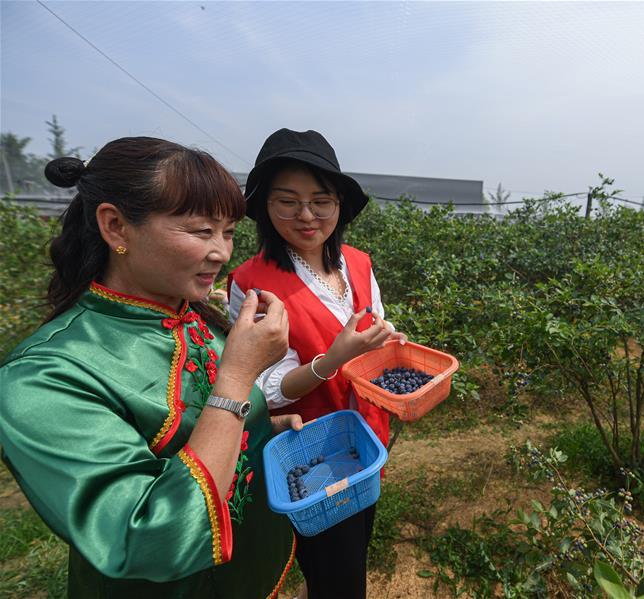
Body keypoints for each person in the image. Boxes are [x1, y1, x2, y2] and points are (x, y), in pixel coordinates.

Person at [0, 137, 302, 598]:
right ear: (116, 226)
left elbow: (199, 422)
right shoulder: (42, 377)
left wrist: (259, 425)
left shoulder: (192, 314)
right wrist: (238, 377)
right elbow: (149, 535)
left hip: (250, 569)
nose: (222, 252)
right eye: (201, 231)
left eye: (227, 232)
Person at [228, 128, 405, 598]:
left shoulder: (358, 263)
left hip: (366, 437)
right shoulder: (252, 284)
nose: (306, 216)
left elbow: (375, 326)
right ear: (265, 206)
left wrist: (389, 342)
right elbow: (263, 389)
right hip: (312, 455)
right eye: (287, 202)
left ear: (339, 205)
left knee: (352, 550)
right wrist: (333, 360)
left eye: (321, 201)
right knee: (338, 575)